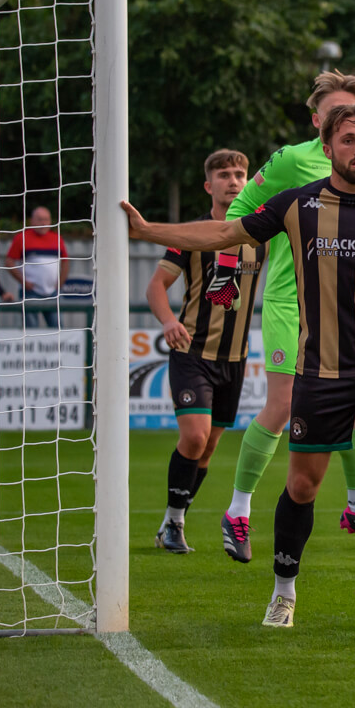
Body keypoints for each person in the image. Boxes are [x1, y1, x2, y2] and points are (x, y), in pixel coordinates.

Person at [122, 103, 355, 633]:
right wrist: (149, 231)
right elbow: (225, 235)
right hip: (320, 371)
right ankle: (282, 594)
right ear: (326, 148)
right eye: (348, 140)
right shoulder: (297, 205)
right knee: (302, 485)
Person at [214, 71, 355, 565]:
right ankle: (237, 511)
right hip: (289, 305)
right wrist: (225, 272)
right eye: (338, 115)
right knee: (283, 404)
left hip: (344, 310)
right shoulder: (292, 160)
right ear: (318, 120)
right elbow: (242, 209)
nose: (350, 127)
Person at [147, 150, 266, 553]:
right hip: (192, 353)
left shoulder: (260, 235)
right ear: (208, 185)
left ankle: (169, 521)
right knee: (195, 438)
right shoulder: (193, 235)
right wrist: (167, 321)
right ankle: (176, 523)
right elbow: (155, 286)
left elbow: (234, 292)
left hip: (234, 359)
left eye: (239, 174)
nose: (233, 181)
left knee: (210, 446)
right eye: (223, 174)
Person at [5, 206, 68, 328]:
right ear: (32, 221)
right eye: (40, 219)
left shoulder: (57, 238)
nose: (44, 223)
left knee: (57, 326)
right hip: (30, 292)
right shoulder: (22, 238)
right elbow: (8, 263)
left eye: (46, 219)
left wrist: (60, 283)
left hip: (53, 292)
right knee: (31, 328)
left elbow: (65, 262)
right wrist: (24, 282)